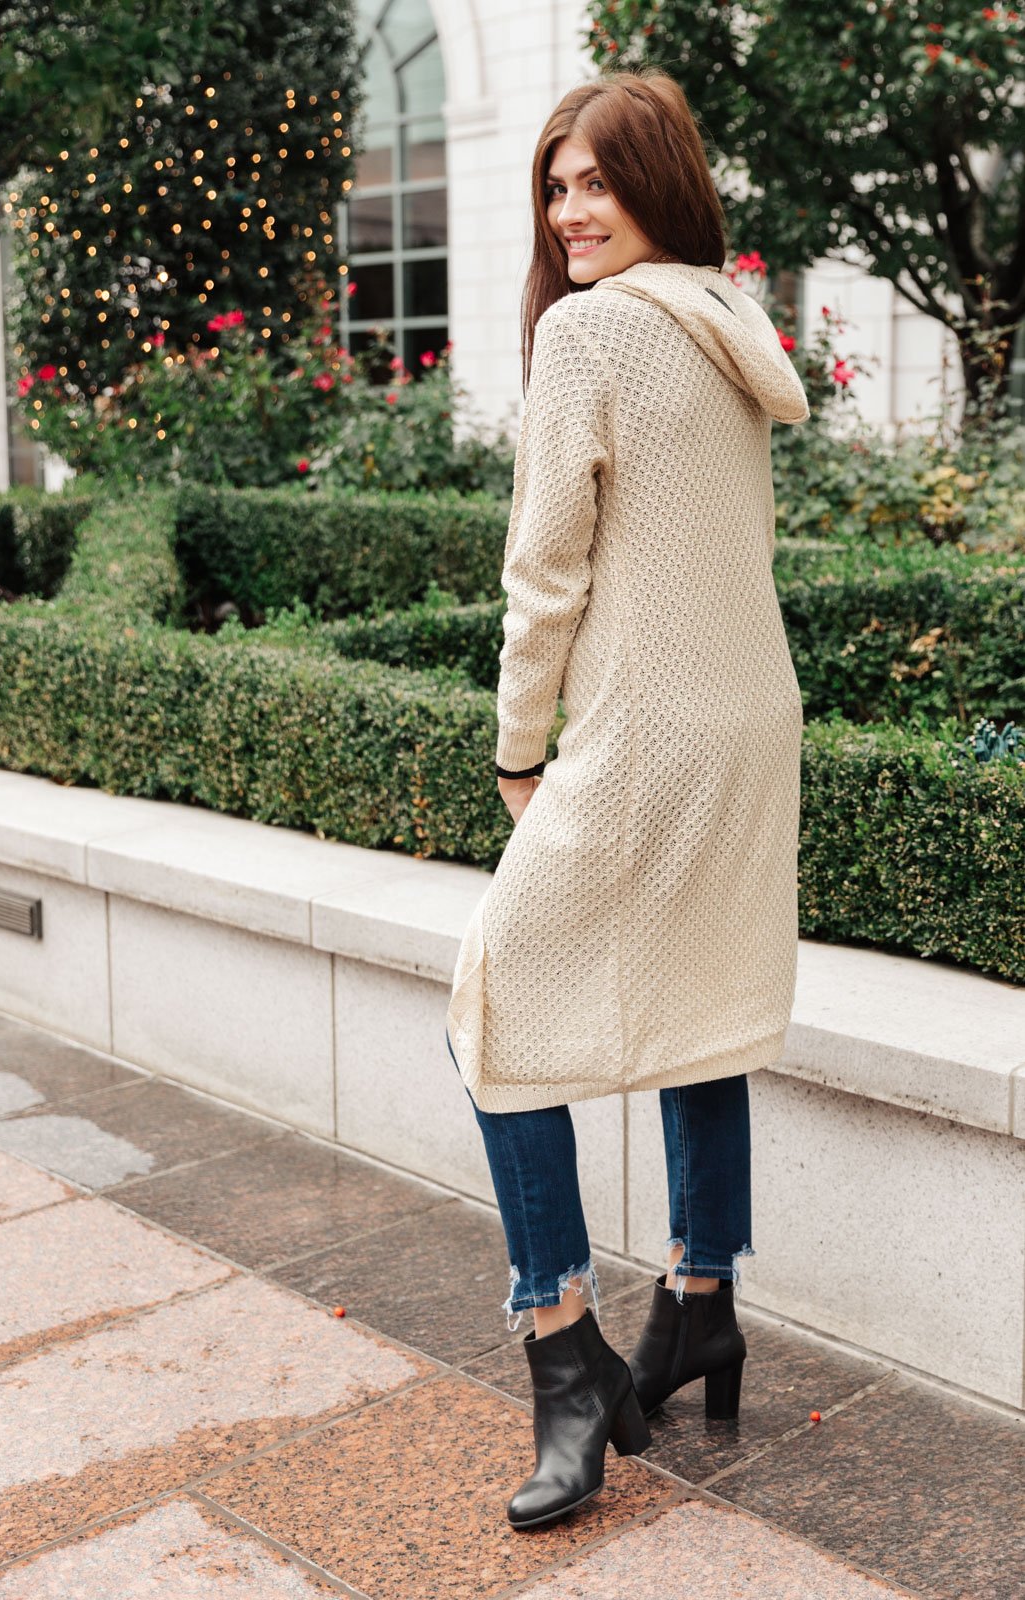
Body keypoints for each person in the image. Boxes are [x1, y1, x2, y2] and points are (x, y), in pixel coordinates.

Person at [444, 66, 810, 1532]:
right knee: (695, 1005)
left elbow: (547, 574)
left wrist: (518, 755)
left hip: (651, 732)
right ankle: (702, 1306)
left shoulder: (591, 332)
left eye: (597, 178)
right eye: (555, 184)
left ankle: (562, 1351)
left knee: (492, 1008)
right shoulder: (732, 327)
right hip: (748, 718)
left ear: (658, 180)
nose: (571, 208)